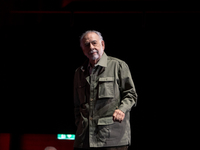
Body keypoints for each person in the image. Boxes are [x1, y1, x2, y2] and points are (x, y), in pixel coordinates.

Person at [73, 30, 138, 150]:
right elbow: (77, 105)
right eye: (87, 45)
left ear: (102, 44)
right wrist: (80, 124)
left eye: (94, 43)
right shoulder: (79, 72)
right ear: (83, 50)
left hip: (112, 139)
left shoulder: (118, 66)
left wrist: (121, 109)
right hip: (85, 139)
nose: (91, 47)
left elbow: (131, 94)